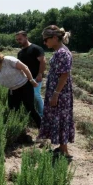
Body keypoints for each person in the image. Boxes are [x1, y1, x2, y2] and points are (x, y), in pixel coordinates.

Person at [36, 26, 75, 161]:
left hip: (61, 93)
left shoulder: (62, 53)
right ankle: (62, 149)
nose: (45, 42)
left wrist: (56, 94)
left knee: (61, 119)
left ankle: (64, 152)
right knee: (59, 118)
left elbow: (64, 75)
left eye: (46, 39)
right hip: (58, 91)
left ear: (54, 38)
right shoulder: (60, 51)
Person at [0, 47, 41, 128]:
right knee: (12, 111)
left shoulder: (8, 60)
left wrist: (31, 80)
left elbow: (25, 68)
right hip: (13, 90)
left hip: (24, 86)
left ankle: (42, 129)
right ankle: (17, 130)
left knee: (30, 109)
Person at [15, 30, 46, 117]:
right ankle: (30, 113)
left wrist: (40, 74)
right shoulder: (20, 53)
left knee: (36, 95)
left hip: (36, 77)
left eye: (20, 39)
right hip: (25, 79)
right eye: (17, 40)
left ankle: (42, 114)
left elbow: (43, 62)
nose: (18, 41)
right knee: (26, 97)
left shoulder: (36, 49)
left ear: (26, 37)